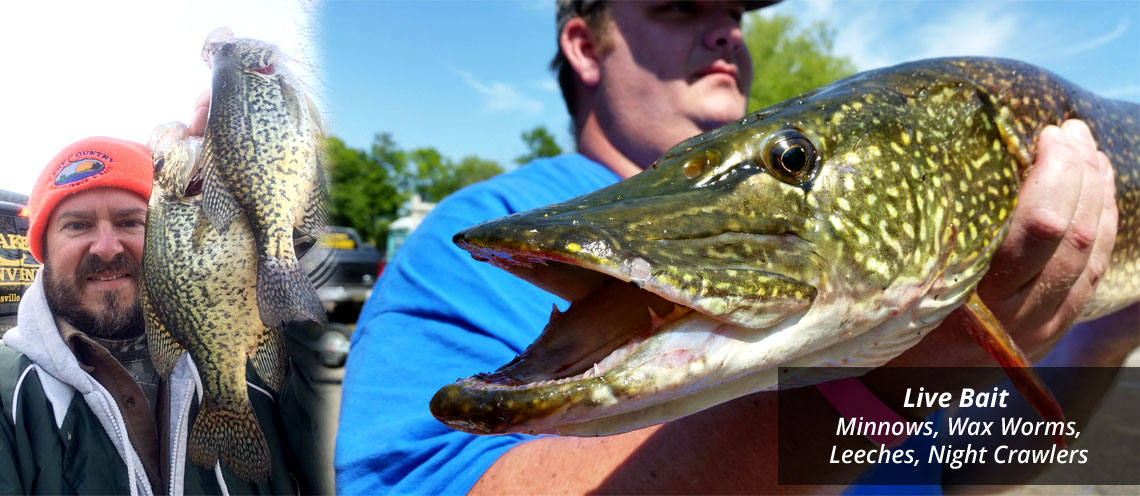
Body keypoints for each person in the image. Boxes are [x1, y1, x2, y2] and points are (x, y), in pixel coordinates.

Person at [336, 1, 1129, 494]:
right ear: (584, 45)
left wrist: (1109, 330)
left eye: (736, 13)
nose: (726, 28)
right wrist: (876, 390)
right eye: (681, 6)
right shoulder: (467, 237)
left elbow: (986, 474)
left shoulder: (907, 290)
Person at [0, 135, 324, 494]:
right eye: (77, 225)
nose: (107, 248)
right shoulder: (7, 396)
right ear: (43, 248)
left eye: (131, 222)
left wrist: (290, 234)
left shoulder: (255, 368)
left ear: (168, 236)